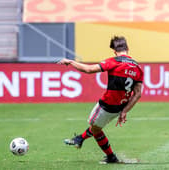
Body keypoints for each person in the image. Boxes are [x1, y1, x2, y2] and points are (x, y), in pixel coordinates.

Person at [58, 36, 143, 164]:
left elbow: (88, 70)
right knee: (96, 127)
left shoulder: (114, 61)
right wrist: (125, 111)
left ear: (114, 51)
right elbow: (137, 94)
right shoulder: (138, 68)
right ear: (128, 49)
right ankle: (80, 139)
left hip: (107, 105)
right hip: (120, 106)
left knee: (95, 127)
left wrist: (71, 62)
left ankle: (108, 155)